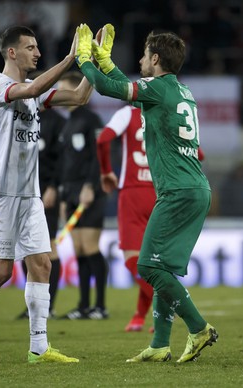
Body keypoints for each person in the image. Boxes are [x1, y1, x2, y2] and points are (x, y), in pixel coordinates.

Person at [0, 25, 92, 365]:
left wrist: (95, 64)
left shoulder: (34, 94)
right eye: (30, 47)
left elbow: (80, 96)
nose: (37, 53)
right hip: (0, 194)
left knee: (41, 263)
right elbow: (36, 87)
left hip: (30, 195)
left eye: (38, 47)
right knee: (1, 272)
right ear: (12, 52)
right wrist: (71, 57)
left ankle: (39, 348)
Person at [76, 23, 217, 362]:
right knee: (162, 268)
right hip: (195, 187)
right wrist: (105, 59)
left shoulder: (156, 88)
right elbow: (127, 84)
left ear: (155, 59)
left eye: (142, 55)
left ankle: (198, 328)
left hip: (177, 191)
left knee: (148, 267)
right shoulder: (181, 92)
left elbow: (110, 89)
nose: (139, 60)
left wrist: (84, 59)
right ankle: (159, 345)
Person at [97, 105, 205, 332]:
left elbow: (103, 140)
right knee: (153, 260)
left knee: (132, 259)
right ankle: (140, 315)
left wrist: (106, 171)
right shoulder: (167, 113)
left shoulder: (127, 112)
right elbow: (198, 154)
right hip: (162, 191)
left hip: (133, 193)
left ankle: (173, 301)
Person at [57, 70, 109, 320]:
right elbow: (66, 165)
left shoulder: (92, 120)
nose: (59, 93)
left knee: (90, 247)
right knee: (78, 250)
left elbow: (100, 157)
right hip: (71, 194)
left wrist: (91, 186)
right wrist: (64, 196)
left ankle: (100, 306)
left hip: (91, 193)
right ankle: (84, 305)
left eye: (63, 88)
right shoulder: (67, 123)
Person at [16, 71, 66, 320]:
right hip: (23, 191)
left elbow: (61, 160)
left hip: (46, 192)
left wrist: (54, 187)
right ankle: (33, 306)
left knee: (49, 250)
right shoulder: (23, 115)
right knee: (26, 251)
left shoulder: (58, 121)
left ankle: (49, 305)